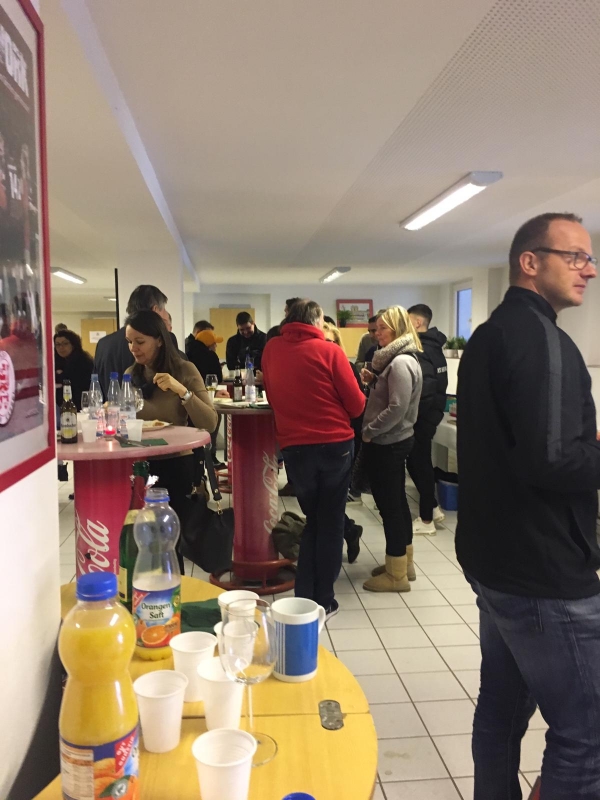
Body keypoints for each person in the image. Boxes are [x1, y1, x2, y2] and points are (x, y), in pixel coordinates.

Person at [456, 212, 600, 800]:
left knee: (501, 709)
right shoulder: (543, 340)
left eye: (590, 258)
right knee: (587, 734)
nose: (589, 269)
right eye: (575, 256)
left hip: (495, 561)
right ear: (530, 262)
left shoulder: (490, 335)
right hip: (543, 574)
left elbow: (525, 445)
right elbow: (552, 461)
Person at [262, 300, 365, 617]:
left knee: (313, 522)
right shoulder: (330, 351)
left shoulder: (271, 349)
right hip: (335, 445)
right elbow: (357, 405)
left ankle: (304, 596)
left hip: (295, 448)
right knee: (330, 523)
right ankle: (324, 600)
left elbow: (272, 394)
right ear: (316, 321)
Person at [124, 310, 218, 574]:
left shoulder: (184, 370)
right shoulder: (131, 374)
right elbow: (126, 423)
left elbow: (210, 422)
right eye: (129, 342)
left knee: (169, 543)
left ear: (159, 340)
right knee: (143, 541)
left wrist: (182, 392)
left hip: (177, 465)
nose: (133, 348)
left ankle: (174, 592)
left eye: (140, 341)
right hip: (140, 466)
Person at [361, 306, 423, 592]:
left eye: (383, 328)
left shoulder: (399, 363)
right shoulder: (397, 360)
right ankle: (402, 564)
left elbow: (397, 408)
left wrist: (369, 431)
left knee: (391, 508)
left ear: (397, 328)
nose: (377, 333)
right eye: (376, 329)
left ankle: (396, 576)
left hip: (389, 442)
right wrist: (375, 382)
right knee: (397, 503)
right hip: (395, 440)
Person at [322, 321, 365, 563]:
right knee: (322, 504)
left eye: (330, 341)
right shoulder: (312, 367)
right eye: (322, 342)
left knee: (329, 503)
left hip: (342, 440)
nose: (327, 346)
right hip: (318, 441)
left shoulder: (347, 367)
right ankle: (349, 530)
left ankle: (343, 538)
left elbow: (357, 408)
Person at [406, 304, 448, 535]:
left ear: (417, 323)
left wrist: (411, 418)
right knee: (416, 463)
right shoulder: (435, 346)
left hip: (422, 418)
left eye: (407, 321)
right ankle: (432, 507)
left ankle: (426, 521)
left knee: (419, 464)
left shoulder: (421, 348)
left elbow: (425, 391)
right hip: (432, 414)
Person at [94, 284, 182, 395]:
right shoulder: (165, 339)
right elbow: (179, 376)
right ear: (155, 310)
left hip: (112, 406)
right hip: (151, 405)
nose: (133, 348)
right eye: (163, 309)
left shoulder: (103, 344)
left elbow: (96, 389)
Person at [187, 329, 225, 467]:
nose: (216, 346)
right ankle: (211, 456)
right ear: (209, 344)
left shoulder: (187, 353)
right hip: (205, 396)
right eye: (214, 343)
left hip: (189, 400)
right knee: (214, 419)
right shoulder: (210, 356)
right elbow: (218, 378)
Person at [54, 330, 94, 410]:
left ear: (73, 344)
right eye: (57, 344)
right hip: (60, 407)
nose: (61, 347)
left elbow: (76, 384)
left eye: (65, 343)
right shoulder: (55, 361)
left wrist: (61, 377)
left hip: (79, 406)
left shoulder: (83, 361)